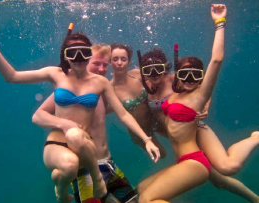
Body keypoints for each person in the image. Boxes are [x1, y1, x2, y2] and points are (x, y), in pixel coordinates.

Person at [0, 28, 160, 203]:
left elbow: (123, 114)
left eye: (83, 52)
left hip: (101, 157)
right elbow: (12, 76)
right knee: (73, 139)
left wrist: (146, 139)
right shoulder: (57, 75)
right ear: (65, 56)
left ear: (88, 54)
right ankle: (66, 185)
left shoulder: (101, 83)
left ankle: (61, 179)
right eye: (72, 53)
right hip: (76, 158)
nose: (78, 57)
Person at [137, 4, 255, 202]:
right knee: (141, 188)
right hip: (182, 159)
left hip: (194, 161)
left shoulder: (198, 96)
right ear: (177, 76)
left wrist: (220, 22)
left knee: (147, 200)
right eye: (185, 74)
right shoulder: (174, 92)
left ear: (202, 78)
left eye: (196, 75)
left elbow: (216, 60)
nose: (190, 79)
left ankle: (255, 138)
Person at [32, 44, 138, 203]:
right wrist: (62, 123)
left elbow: (123, 110)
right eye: (96, 63)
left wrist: (146, 139)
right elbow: (38, 115)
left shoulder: (104, 87)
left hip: (108, 163)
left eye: (105, 64)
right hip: (85, 168)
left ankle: (60, 180)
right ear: (85, 61)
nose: (102, 68)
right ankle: (61, 185)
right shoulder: (67, 91)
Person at [109, 43, 167, 158]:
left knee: (178, 138)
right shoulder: (109, 89)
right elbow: (99, 110)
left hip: (156, 120)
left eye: (123, 59)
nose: (119, 63)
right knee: (162, 154)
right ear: (109, 62)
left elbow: (163, 81)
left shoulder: (138, 74)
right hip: (140, 133)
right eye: (115, 59)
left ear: (129, 61)